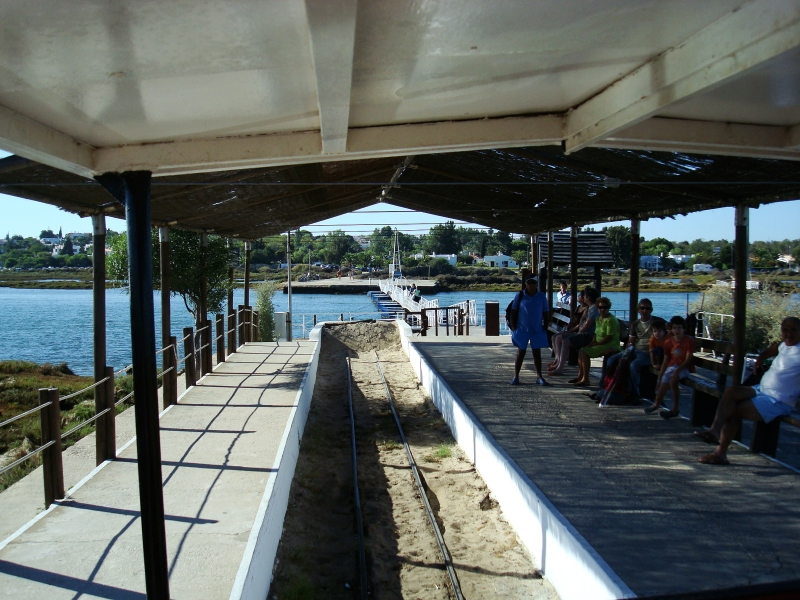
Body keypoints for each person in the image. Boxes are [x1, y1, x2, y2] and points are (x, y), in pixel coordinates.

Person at [695, 317, 800, 465]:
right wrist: (760, 359)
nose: (789, 334)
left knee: (733, 410)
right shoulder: (783, 345)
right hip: (761, 390)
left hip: (777, 400)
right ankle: (714, 430)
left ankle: (720, 453)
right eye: (785, 330)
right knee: (730, 392)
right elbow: (773, 348)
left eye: (794, 330)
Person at [600, 298, 657, 401]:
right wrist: (626, 353)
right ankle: (606, 385)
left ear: (651, 310)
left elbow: (669, 329)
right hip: (635, 350)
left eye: (647, 309)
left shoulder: (656, 322)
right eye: (642, 308)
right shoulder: (635, 324)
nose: (644, 311)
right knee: (611, 360)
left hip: (648, 352)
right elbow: (631, 342)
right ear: (638, 310)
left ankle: (636, 393)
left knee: (634, 365)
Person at [644, 315, 694, 419]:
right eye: (674, 328)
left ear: (684, 328)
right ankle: (656, 404)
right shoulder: (668, 342)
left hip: (684, 367)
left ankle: (674, 409)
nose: (677, 330)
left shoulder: (688, 341)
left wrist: (677, 371)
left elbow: (688, 359)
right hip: (672, 367)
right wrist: (660, 376)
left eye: (679, 327)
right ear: (670, 329)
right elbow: (666, 359)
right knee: (663, 382)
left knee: (673, 380)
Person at [548, 287, 599, 376]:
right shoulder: (590, 308)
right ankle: (558, 363)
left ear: (588, 298)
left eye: (585, 296)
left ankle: (560, 368)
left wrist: (577, 333)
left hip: (588, 335)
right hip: (582, 332)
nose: (583, 297)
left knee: (566, 341)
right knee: (559, 338)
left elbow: (587, 325)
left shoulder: (593, 309)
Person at [510, 277, 550, 386]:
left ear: (536, 284)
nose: (531, 285)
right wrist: (514, 328)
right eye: (529, 283)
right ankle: (516, 376)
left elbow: (546, 312)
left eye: (533, 283)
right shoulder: (520, 295)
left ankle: (539, 377)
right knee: (520, 353)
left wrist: (545, 327)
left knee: (537, 353)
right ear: (526, 284)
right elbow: (513, 311)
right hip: (522, 329)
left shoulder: (541, 296)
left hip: (536, 329)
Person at [573, 297, 621, 386]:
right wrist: (592, 343)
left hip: (610, 344)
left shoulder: (610, 320)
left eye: (605, 307)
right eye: (600, 307)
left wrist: (596, 344)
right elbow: (596, 334)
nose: (602, 310)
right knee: (581, 350)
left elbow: (609, 337)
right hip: (600, 343)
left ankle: (586, 379)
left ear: (608, 308)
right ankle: (580, 376)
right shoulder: (598, 318)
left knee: (584, 352)